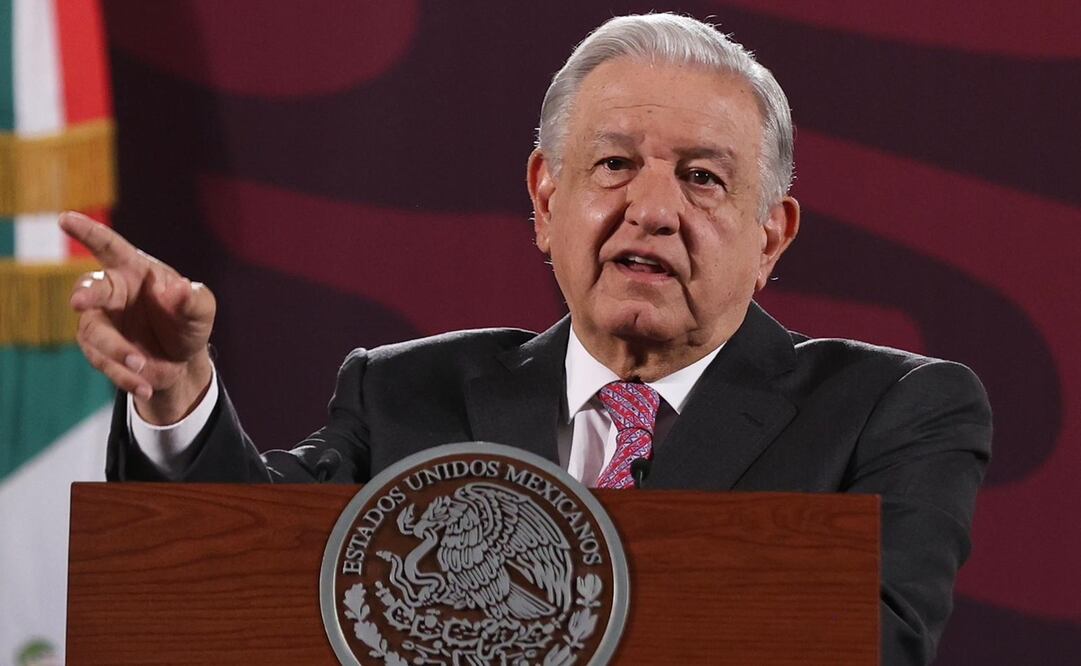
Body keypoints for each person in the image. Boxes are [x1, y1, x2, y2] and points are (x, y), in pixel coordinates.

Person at [59, 13, 990, 666]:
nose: (652, 209)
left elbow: (869, 644)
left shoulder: (890, 411)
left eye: (703, 179)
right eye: (614, 164)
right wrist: (176, 396)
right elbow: (241, 577)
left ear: (770, 237)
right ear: (547, 201)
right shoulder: (404, 394)